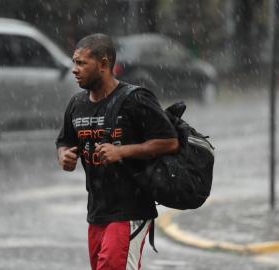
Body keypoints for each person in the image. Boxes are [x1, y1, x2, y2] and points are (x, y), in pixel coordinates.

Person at [56, 33, 179, 270]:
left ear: (103, 64)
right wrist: (64, 156)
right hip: (97, 212)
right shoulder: (76, 104)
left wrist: (121, 152)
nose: (74, 69)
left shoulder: (135, 99)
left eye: (81, 63)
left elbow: (169, 141)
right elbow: (64, 142)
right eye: (74, 62)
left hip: (130, 209)